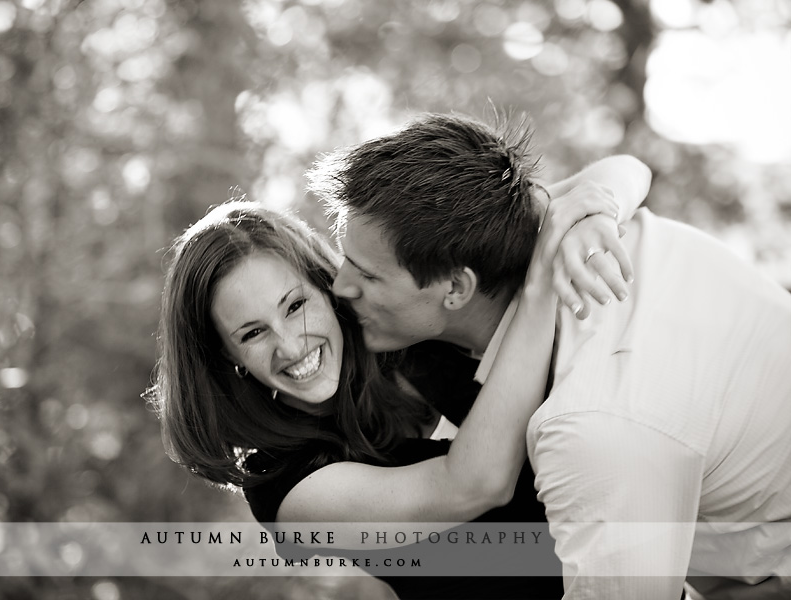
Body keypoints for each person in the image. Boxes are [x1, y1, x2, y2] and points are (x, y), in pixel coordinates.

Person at [307, 111, 791, 599]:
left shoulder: (590, 424)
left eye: (367, 276)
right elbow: (610, 175)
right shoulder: (565, 229)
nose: (340, 286)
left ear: (456, 287)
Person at [147, 152, 648, 599]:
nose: (290, 344)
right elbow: (473, 485)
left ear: (326, 289)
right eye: (253, 333)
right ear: (225, 358)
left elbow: (624, 170)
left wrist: (592, 215)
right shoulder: (285, 488)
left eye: (295, 305)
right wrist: (542, 287)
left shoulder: (399, 338)